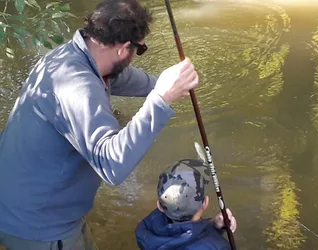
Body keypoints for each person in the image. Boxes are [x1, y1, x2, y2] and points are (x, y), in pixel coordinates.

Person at [0, 0, 199, 249]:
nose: (138, 55)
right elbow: (112, 164)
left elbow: (118, 77)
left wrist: (162, 84)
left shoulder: (74, 56)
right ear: (123, 48)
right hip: (37, 226)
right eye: (140, 49)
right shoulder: (77, 87)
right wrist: (161, 100)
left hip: (39, 208)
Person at [135, 159, 237, 250]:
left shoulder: (145, 229)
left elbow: (183, 233)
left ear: (159, 206)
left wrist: (213, 224)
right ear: (205, 203)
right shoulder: (218, 246)